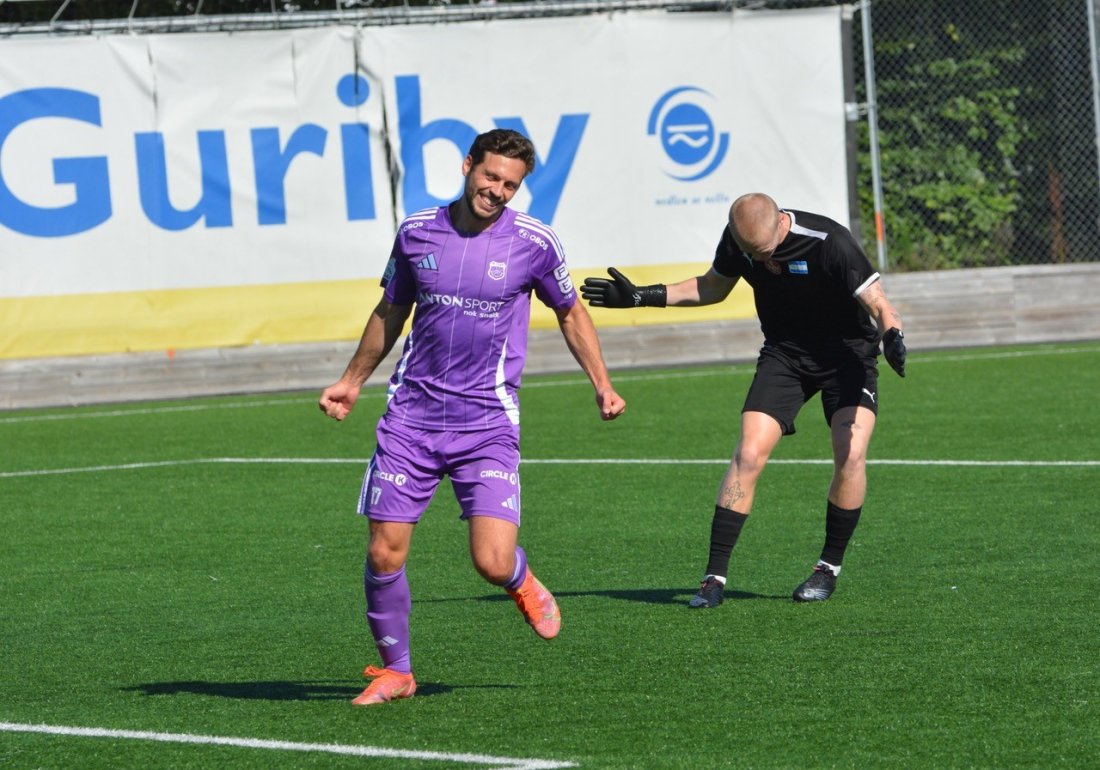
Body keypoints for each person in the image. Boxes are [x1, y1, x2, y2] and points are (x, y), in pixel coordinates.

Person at [319, 128, 626, 705]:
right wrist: (352, 380)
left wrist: (602, 385)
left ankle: (521, 581)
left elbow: (570, 313)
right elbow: (391, 308)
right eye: (491, 177)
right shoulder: (416, 232)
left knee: (490, 561)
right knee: (384, 550)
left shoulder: (535, 243)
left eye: (511, 184)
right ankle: (398, 672)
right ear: (468, 167)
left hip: (486, 425)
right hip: (410, 420)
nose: (498, 191)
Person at [581, 192, 905, 608]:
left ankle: (828, 568)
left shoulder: (829, 241)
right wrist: (642, 295)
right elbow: (713, 287)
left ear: (780, 226)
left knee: (852, 450)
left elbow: (879, 303)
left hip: (848, 355)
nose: (763, 262)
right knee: (748, 453)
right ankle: (713, 579)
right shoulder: (739, 240)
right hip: (786, 355)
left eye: (767, 252)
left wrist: (892, 335)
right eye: (754, 255)